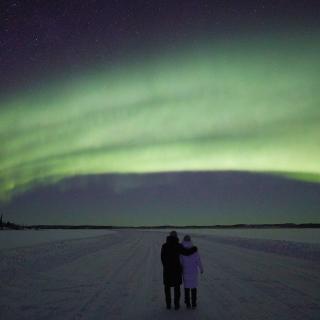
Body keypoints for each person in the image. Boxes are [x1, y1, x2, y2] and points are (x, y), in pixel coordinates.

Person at [161, 231, 198, 310]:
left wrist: (166, 266)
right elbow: (187, 252)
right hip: (176, 270)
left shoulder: (164, 246)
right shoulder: (178, 245)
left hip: (167, 271)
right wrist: (194, 249)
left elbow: (162, 258)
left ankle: (168, 305)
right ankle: (176, 305)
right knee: (176, 288)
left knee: (167, 288)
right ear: (176, 236)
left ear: (169, 236)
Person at [180, 235, 204, 309]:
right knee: (193, 288)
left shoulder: (181, 250)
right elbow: (198, 260)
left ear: (183, 240)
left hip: (186, 272)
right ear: (190, 240)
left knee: (186, 288)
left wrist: (180, 270)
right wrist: (201, 269)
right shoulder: (195, 250)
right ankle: (194, 303)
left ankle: (188, 303)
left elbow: (180, 262)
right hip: (193, 272)